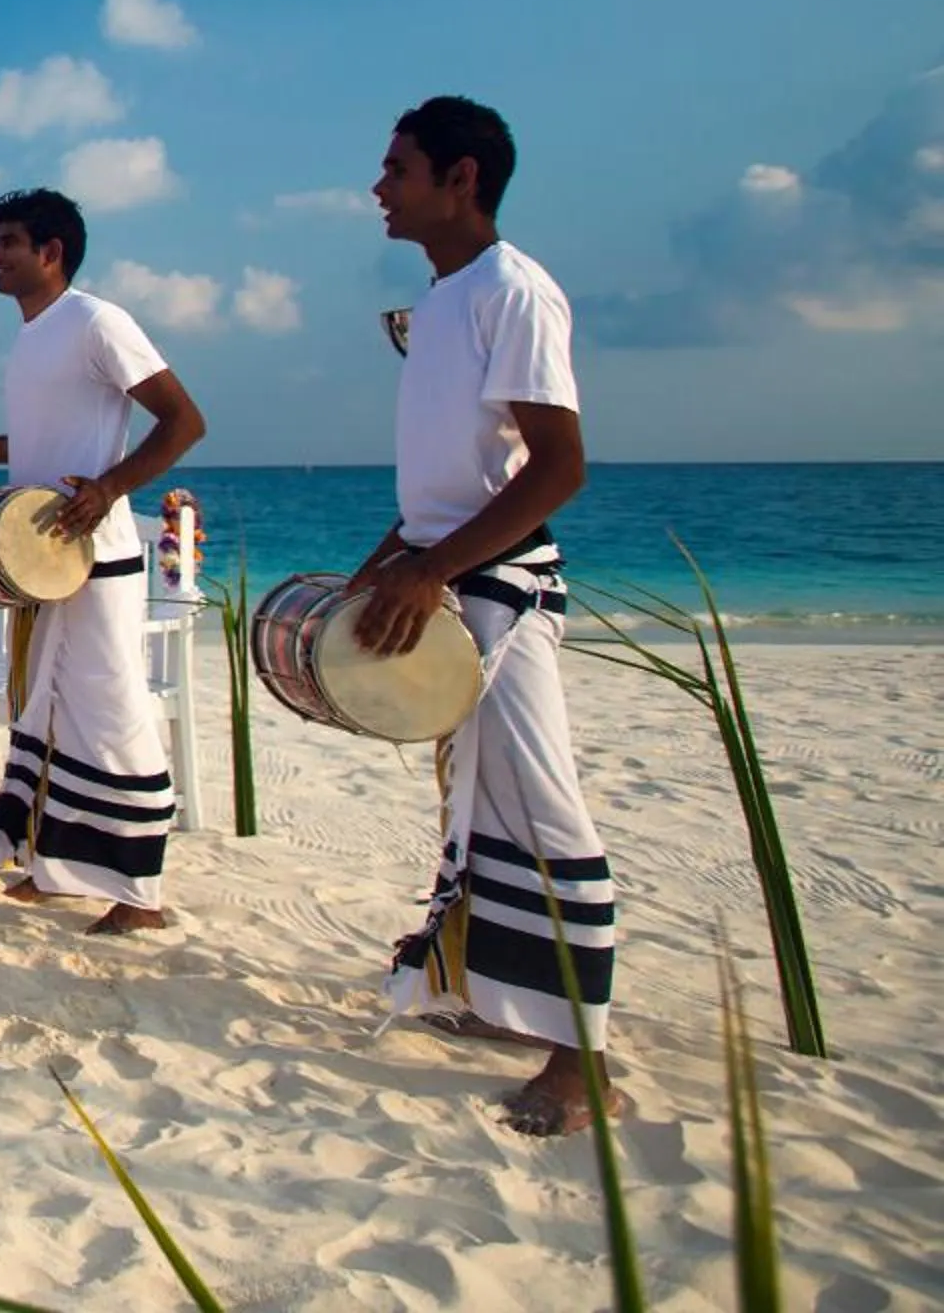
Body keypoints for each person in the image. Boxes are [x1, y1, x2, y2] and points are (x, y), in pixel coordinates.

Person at [353, 95, 614, 1137]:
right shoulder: (444, 299)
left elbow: (560, 467)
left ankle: (582, 1060)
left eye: (398, 168)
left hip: (502, 590)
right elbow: (445, 482)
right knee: (475, 806)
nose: (379, 187)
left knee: (543, 813)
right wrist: (382, 566)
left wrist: (437, 571)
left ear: (461, 179)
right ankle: (486, 991)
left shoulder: (516, 290)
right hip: (452, 577)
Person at [0, 188, 206, 937]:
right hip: (40, 558)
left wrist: (110, 489)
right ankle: (51, 866)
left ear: (51, 252)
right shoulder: (33, 336)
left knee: (110, 711)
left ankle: (142, 894)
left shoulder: (98, 322)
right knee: (45, 708)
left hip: (96, 558)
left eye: (7, 240)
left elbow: (184, 421)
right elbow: (45, 446)